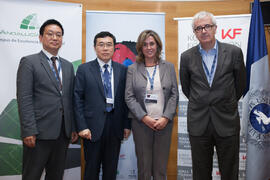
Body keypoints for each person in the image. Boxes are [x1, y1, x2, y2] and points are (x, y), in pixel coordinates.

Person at [180, 11, 246, 180]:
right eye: (199, 28)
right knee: (201, 173)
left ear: (215, 28)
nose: (203, 31)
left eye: (207, 26)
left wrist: (223, 102)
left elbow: (239, 86)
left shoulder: (234, 52)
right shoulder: (186, 57)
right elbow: (188, 89)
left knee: (230, 171)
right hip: (199, 123)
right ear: (194, 32)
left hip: (226, 121)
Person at [16, 19, 78, 180]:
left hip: (62, 134)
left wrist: (72, 127)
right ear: (40, 37)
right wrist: (28, 130)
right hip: (38, 133)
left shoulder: (68, 65)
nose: (55, 38)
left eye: (58, 35)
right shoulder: (29, 62)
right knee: (32, 175)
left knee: (56, 176)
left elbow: (70, 99)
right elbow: (24, 98)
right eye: (50, 34)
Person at [74, 31, 131, 180]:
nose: (105, 48)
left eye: (109, 45)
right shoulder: (84, 69)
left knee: (111, 171)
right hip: (91, 128)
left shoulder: (123, 70)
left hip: (115, 126)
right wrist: (82, 126)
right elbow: (77, 99)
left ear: (114, 48)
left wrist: (127, 125)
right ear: (94, 47)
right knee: (91, 170)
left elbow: (126, 100)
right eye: (101, 45)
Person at [125, 30, 179, 180]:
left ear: (158, 45)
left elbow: (174, 94)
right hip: (141, 124)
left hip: (164, 124)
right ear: (140, 48)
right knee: (144, 168)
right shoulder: (132, 69)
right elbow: (129, 97)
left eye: (152, 43)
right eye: (145, 44)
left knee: (160, 169)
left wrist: (166, 118)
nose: (149, 47)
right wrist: (144, 117)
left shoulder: (168, 67)